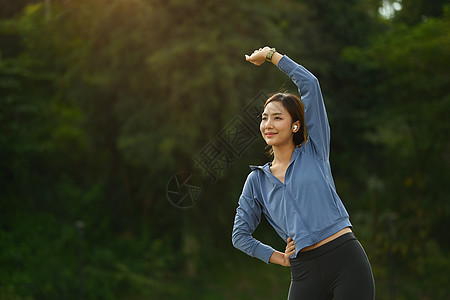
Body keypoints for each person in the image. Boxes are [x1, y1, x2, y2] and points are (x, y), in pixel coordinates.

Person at [232, 46, 375, 300]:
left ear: (295, 125)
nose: (268, 124)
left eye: (277, 118)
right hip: (303, 271)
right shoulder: (256, 181)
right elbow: (240, 235)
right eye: (264, 118)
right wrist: (278, 257)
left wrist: (271, 56)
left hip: (345, 260)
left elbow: (310, 83)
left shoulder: (314, 151)